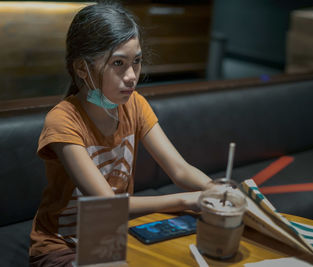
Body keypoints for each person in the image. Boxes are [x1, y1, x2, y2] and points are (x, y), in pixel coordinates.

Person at [29, 2, 211, 266]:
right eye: (118, 63)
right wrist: (187, 200)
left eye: (136, 62)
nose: (131, 76)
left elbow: (180, 169)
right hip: (62, 247)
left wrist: (215, 190)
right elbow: (107, 204)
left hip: (111, 236)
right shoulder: (63, 120)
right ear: (82, 68)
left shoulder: (134, 104)